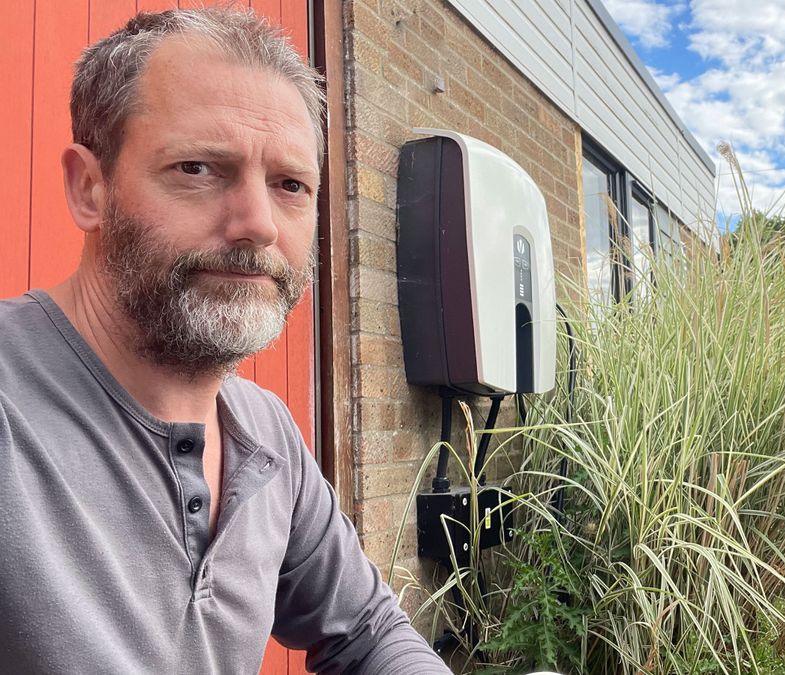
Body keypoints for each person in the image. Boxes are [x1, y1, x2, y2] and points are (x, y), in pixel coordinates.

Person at [0, 8, 450, 674]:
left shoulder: (265, 433)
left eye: (290, 185)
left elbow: (368, 629)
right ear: (88, 187)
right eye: (198, 169)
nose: (258, 225)